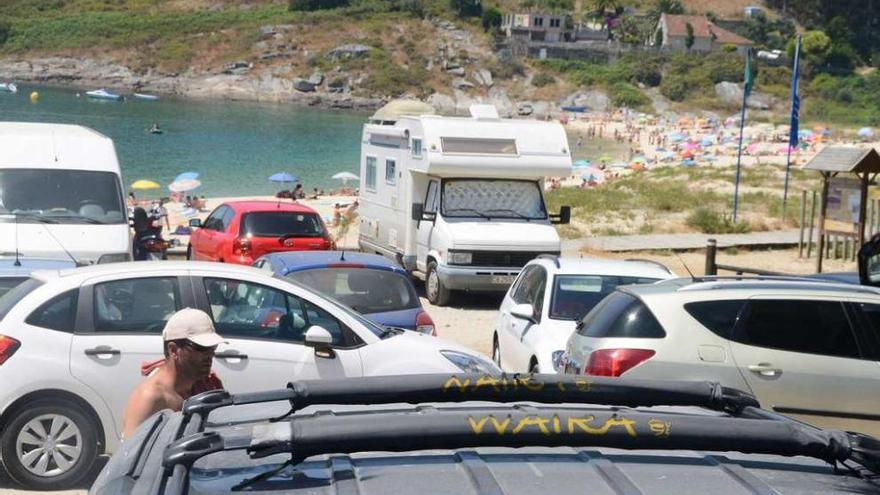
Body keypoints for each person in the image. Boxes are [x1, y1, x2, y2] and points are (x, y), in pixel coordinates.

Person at [122, 308, 226, 439]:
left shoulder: (209, 385)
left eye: (213, 347)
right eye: (202, 348)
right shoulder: (150, 398)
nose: (211, 354)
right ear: (173, 350)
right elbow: (131, 455)